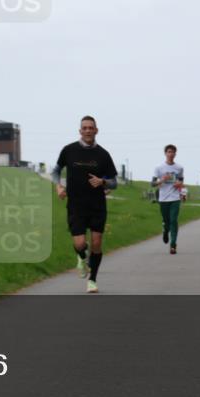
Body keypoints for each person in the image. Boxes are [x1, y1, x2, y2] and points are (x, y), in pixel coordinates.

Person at [52, 116, 117, 293]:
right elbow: (56, 170)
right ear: (80, 131)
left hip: (97, 205)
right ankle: (82, 257)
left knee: (96, 243)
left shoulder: (103, 154)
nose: (88, 130)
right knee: (80, 243)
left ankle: (93, 280)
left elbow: (114, 182)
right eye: (85, 128)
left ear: (96, 130)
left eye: (91, 128)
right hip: (76, 204)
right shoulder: (69, 150)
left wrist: (103, 182)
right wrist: (58, 186)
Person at [152, 145, 184, 254]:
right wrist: (162, 180)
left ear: (175, 154)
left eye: (173, 152)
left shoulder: (179, 168)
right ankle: (165, 231)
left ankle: (173, 245)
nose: (171, 154)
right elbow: (152, 183)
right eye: (169, 152)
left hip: (175, 198)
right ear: (165, 153)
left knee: (174, 220)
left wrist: (179, 184)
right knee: (167, 221)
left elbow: (181, 181)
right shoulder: (159, 167)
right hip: (163, 198)